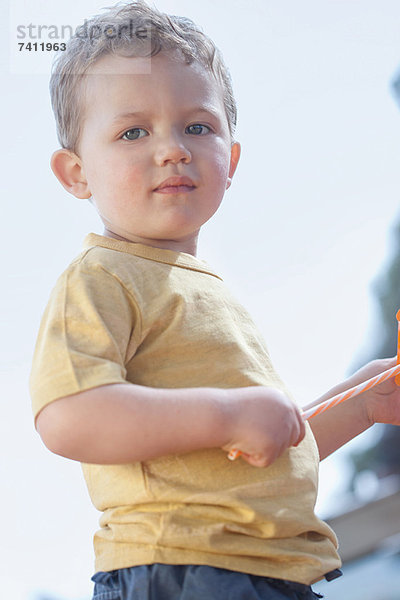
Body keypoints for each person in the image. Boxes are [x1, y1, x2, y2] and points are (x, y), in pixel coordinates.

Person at [29, 2, 400, 599]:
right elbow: (68, 417)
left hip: (268, 571)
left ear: (229, 160)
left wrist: (359, 403)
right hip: (180, 568)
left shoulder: (204, 289)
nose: (172, 148)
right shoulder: (102, 277)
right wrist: (228, 413)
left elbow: (257, 454)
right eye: (132, 132)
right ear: (76, 174)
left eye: (196, 126)